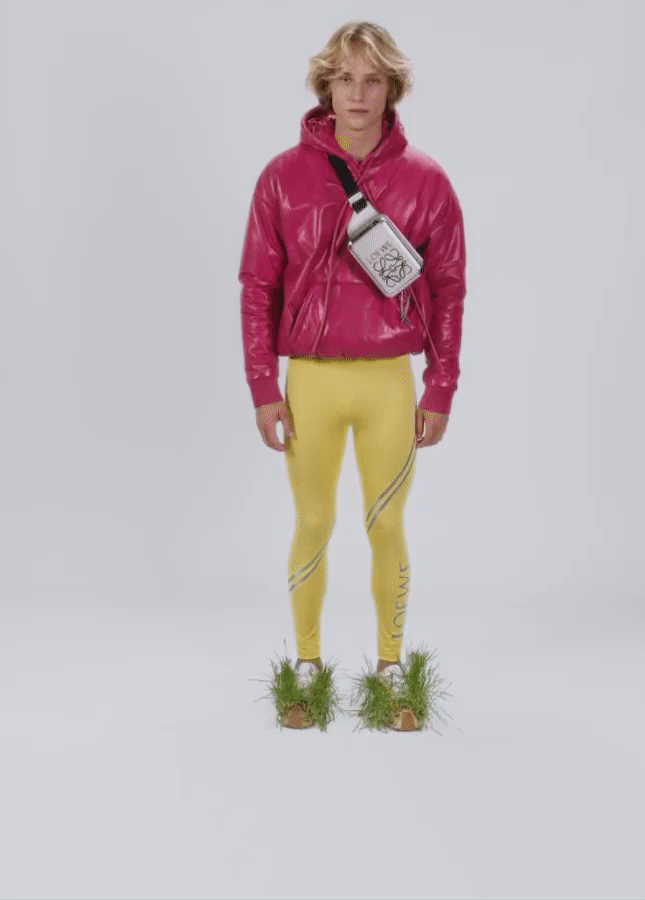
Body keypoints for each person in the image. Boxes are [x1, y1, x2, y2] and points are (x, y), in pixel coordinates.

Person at [238, 21, 466, 696]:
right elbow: (257, 286)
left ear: (392, 87)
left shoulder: (428, 182)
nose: (358, 94)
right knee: (312, 522)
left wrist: (441, 386)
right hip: (308, 383)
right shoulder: (281, 177)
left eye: (372, 80)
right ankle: (307, 665)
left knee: (386, 523)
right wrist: (263, 386)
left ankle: (390, 667)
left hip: (389, 383)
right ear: (325, 86)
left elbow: (449, 289)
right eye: (344, 78)